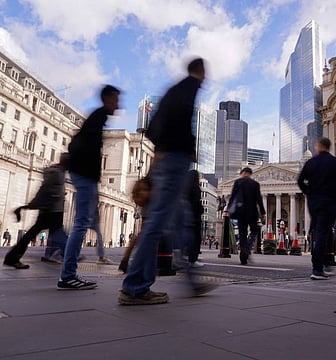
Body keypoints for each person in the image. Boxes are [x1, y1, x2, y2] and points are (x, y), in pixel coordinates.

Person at [119, 58, 215, 305]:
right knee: (159, 223)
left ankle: (192, 281)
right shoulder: (189, 87)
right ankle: (135, 287)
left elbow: (151, 128)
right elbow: (179, 117)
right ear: (200, 71)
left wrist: (161, 149)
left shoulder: (173, 89)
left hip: (168, 158)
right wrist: (185, 146)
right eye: (205, 72)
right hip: (175, 160)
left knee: (181, 221)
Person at [57, 85, 120, 290]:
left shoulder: (97, 118)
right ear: (108, 99)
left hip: (83, 175)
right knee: (81, 224)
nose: (117, 105)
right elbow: (82, 148)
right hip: (84, 176)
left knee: (81, 223)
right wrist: (90, 174)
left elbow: (76, 145)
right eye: (115, 100)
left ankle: (68, 273)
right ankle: (68, 275)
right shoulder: (98, 117)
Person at [3, 153, 69, 269]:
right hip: (52, 210)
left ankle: (12, 258)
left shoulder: (56, 172)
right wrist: (33, 205)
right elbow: (46, 190)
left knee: (35, 234)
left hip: (49, 209)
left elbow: (47, 190)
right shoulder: (57, 174)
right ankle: (71, 254)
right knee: (57, 233)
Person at [298, 137, 336, 280]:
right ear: (329, 147)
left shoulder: (310, 162)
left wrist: (308, 193)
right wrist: (335, 203)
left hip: (313, 203)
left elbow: (300, 181)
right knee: (323, 234)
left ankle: (323, 265)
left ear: (318, 147)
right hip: (328, 202)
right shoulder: (335, 162)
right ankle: (318, 269)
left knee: (319, 232)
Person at [227, 167, 266, 265]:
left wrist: (229, 209)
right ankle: (248, 247)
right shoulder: (255, 184)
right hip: (252, 212)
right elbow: (259, 200)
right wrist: (263, 213)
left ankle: (243, 256)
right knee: (254, 231)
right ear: (250, 173)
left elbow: (232, 197)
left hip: (240, 213)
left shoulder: (238, 182)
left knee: (242, 234)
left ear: (243, 173)